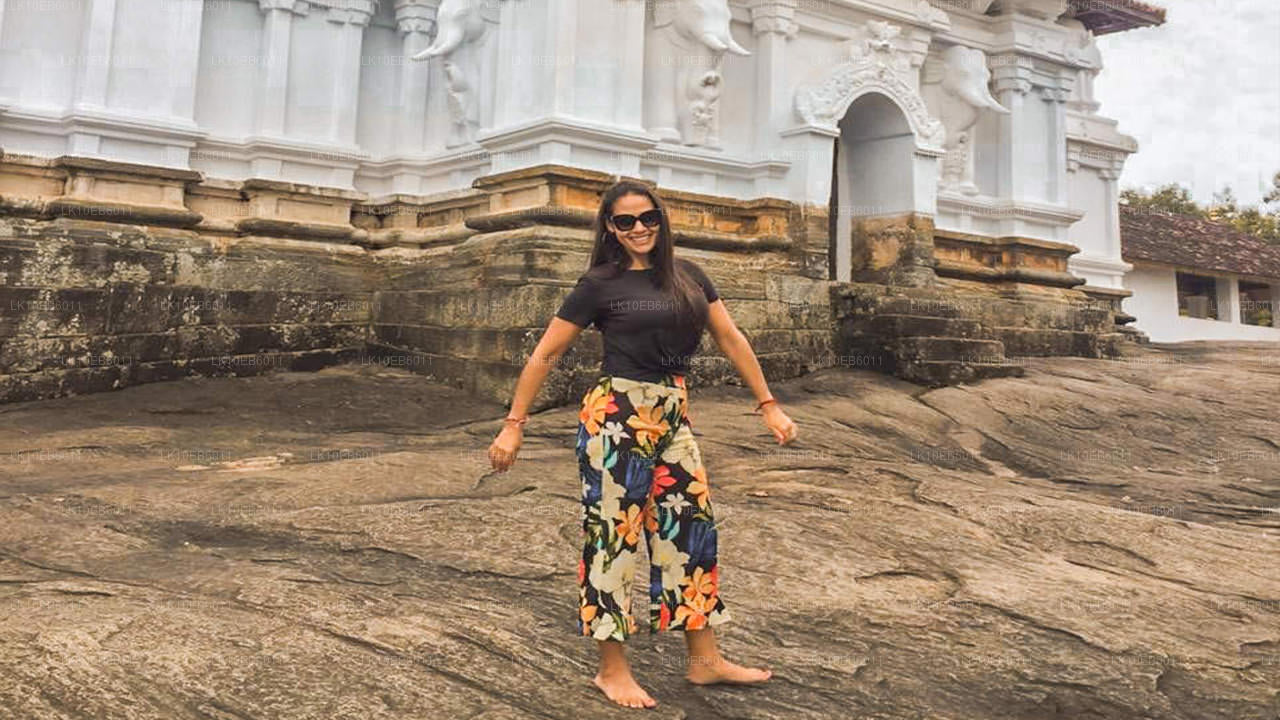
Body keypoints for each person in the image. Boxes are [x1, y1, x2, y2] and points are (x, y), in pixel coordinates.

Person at [488, 179, 798, 709]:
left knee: (691, 527)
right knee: (613, 536)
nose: (639, 228)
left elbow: (731, 338)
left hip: (673, 413)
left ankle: (704, 661)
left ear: (661, 219)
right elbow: (546, 352)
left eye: (648, 217)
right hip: (616, 417)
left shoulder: (689, 275)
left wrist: (768, 403)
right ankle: (611, 669)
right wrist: (514, 423)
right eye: (625, 221)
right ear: (610, 228)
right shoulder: (599, 284)